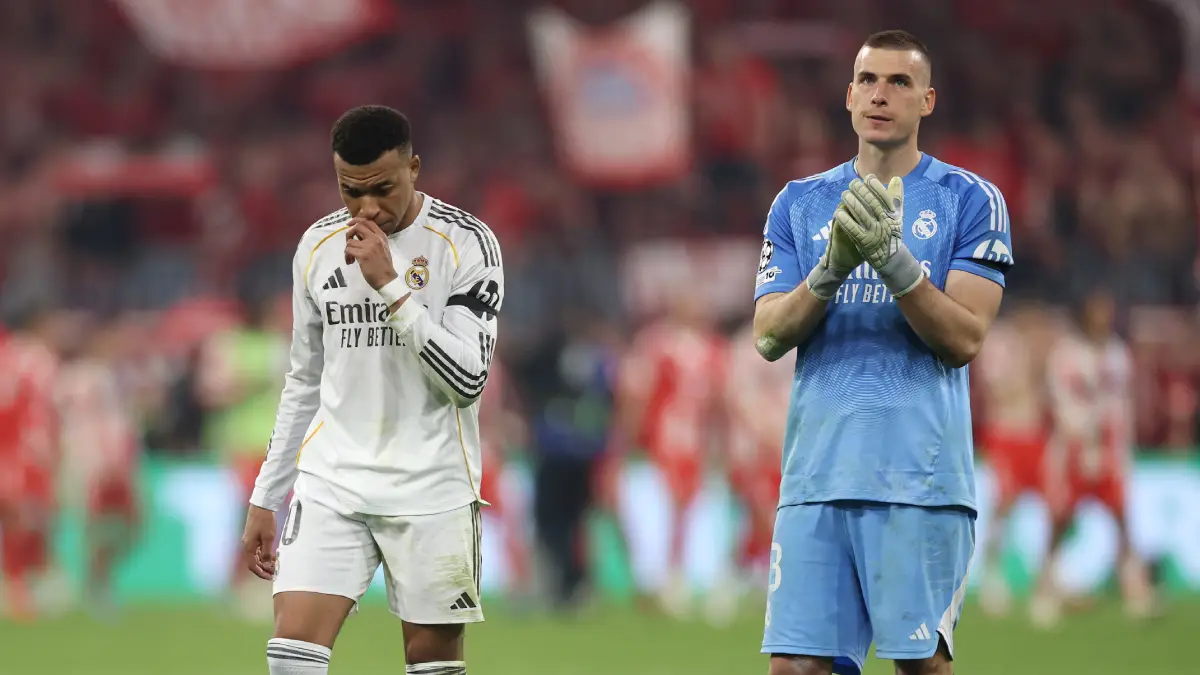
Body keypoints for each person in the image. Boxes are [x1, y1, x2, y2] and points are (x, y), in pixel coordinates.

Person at [752, 30, 1013, 675]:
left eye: (900, 83)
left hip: (919, 483)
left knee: (920, 668)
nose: (881, 94)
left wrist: (894, 263)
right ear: (848, 97)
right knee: (795, 668)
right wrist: (830, 268)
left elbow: (963, 339)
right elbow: (767, 336)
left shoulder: (971, 200)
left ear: (928, 100)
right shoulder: (799, 203)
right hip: (815, 479)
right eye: (869, 80)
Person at [241, 105, 503, 675]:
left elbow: (467, 381)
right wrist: (267, 493)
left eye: (382, 188)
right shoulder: (316, 247)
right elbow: (303, 380)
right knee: (290, 660)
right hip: (333, 481)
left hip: (432, 487)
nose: (366, 208)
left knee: (433, 667)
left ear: (414, 167)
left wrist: (390, 285)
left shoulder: (466, 245)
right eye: (349, 191)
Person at [1032, 289, 1155, 627]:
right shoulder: (1067, 355)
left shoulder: (1118, 353)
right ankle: (1046, 589)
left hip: (1110, 450)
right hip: (1073, 449)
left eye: (1108, 310)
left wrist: (1121, 448)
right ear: (1084, 314)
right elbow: (1057, 403)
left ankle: (1136, 590)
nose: (1104, 317)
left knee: (1122, 520)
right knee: (1060, 522)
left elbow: (1123, 403)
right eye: (1098, 310)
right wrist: (1079, 436)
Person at [616, 294, 726, 619]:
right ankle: (662, 580)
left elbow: (717, 404)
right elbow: (637, 392)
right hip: (666, 439)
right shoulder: (666, 345)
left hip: (683, 440)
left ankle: (671, 579)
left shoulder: (694, 348)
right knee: (667, 511)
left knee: (680, 511)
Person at [972, 304, 1053, 616]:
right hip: (1005, 436)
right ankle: (992, 573)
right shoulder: (993, 341)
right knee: (1004, 506)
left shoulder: (1031, 341)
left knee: (1052, 507)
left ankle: (1046, 577)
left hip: (1035, 436)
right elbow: (997, 389)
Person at [0, 308, 61, 621]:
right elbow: (48, 406)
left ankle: (23, 585)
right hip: (24, 450)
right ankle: (22, 586)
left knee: (18, 517)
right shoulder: (37, 358)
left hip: (10, 448)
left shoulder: (9, 354)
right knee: (26, 517)